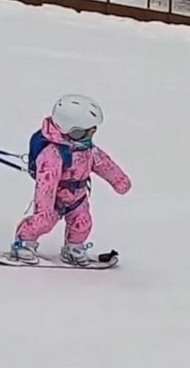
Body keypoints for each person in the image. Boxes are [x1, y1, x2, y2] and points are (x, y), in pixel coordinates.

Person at [11, 94, 132, 265]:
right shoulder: (52, 154)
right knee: (42, 222)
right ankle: (23, 243)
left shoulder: (86, 148)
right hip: (54, 199)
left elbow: (103, 163)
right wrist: (44, 209)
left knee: (82, 223)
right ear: (73, 130)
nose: (92, 134)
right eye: (88, 131)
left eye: (94, 130)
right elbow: (46, 184)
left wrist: (119, 181)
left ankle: (73, 248)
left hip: (78, 197)